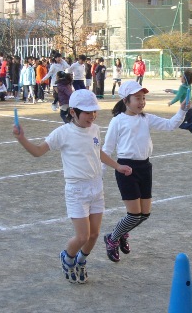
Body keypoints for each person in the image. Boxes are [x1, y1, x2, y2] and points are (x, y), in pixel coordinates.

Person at [12, 89, 132, 284]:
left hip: (96, 187)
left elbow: (97, 152)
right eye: (87, 112)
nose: (92, 116)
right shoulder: (63, 133)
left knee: (93, 235)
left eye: (94, 111)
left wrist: (117, 166)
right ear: (73, 112)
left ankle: (81, 260)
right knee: (82, 236)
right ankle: (67, 258)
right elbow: (38, 151)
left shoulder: (94, 129)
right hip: (76, 190)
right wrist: (21, 138)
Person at [102, 80, 188, 263]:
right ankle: (112, 238)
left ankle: (121, 233)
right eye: (137, 98)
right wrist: (100, 175)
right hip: (126, 169)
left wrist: (182, 110)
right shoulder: (117, 121)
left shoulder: (146, 118)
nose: (141, 102)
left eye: (143, 98)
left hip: (144, 167)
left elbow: (170, 125)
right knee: (134, 214)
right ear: (126, 100)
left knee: (145, 214)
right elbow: (106, 150)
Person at [165, 69, 192, 145]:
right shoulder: (189, 86)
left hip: (186, 109)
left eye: (182, 76)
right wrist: (171, 90)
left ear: (184, 79)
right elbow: (180, 93)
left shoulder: (182, 87)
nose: (180, 77)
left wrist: (171, 102)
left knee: (179, 124)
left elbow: (178, 97)